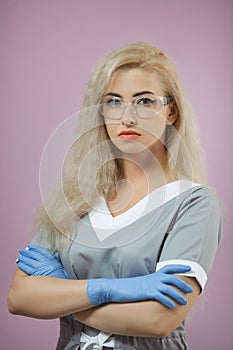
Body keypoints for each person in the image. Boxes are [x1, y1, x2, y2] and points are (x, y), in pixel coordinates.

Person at [7, 42, 222, 350]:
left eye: (145, 101)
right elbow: (19, 297)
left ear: (171, 111)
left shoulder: (193, 204)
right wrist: (109, 290)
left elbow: (158, 320)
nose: (128, 117)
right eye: (113, 101)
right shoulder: (74, 199)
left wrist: (65, 291)